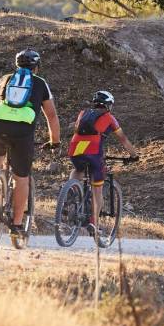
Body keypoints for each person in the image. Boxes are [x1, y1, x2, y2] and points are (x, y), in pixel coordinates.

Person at [0, 48, 61, 235]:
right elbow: (51, 116)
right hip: (22, 131)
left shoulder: (5, 79)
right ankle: (17, 225)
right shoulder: (40, 83)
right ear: (36, 67)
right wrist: (55, 141)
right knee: (22, 178)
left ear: (17, 65)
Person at [67, 90, 138, 234]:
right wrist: (134, 155)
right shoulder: (110, 118)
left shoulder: (83, 113)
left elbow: (77, 129)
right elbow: (123, 139)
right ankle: (94, 222)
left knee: (78, 169)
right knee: (97, 188)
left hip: (75, 149)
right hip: (93, 151)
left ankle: (70, 193)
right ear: (108, 105)